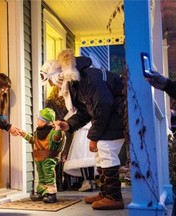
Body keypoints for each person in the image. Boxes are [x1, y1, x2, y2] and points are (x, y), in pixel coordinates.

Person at [52, 49, 125, 210]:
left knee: (106, 149)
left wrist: (93, 138)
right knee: (101, 154)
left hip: (118, 113)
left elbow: (102, 107)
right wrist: (69, 124)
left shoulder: (90, 78)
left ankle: (114, 197)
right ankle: (106, 193)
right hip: (110, 114)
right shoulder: (78, 83)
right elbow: (86, 111)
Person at [19, 107, 66, 203]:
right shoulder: (38, 132)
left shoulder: (53, 131)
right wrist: (24, 134)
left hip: (49, 157)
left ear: (45, 122)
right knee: (41, 176)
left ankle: (51, 194)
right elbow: (33, 141)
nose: (37, 121)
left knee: (48, 175)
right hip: (39, 158)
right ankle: (42, 192)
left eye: (39, 119)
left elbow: (57, 138)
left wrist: (57, 128)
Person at [45, 86, 74, 191]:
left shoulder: (50, 102)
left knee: (58, 155)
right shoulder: (68, 102)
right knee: (65, 155)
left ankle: (59, 183)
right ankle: (67, 182)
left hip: (56, 129)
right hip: (67, 129)